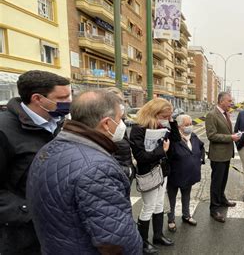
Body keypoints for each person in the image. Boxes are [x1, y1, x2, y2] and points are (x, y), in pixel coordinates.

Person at [26, 89, 141, 254]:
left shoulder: (49, 148)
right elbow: (117, 241)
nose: (122, 124)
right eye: (119, 119)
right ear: (107, 124)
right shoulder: (98, 169)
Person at [0, 70, 71, 254]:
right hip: (21, 236)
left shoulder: (58, 124)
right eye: (62, 98)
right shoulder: (4, 131)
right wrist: (30, 213)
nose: (68, 102)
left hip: (57, 230)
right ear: (38, 98)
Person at [129, 98, 176, 254]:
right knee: (148, 207)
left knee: (159, 205)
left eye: (168, 116)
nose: (165, 118)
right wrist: (161, 151)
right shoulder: (138, 129)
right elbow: (141, 157)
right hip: (148, 173)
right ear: (154, 113)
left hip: (163, 171)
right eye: (164, 115)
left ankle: (158, 235)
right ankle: (142, 242)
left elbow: (175, 142)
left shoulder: (162, 126)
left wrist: (172, 122)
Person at [205, 92, 241, 223]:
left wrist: (233, 135)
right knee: (216, 182)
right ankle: (214, 208)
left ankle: (221, 199)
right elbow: (212, 135)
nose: (231, 103)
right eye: (229, 101)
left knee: (223, 179)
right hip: (218, 155)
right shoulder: (212, 115)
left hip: (226, 154)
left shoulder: (226, 114)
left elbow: (225, 131)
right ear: (221, 101)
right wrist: (230, 137)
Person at [166, 114, 205, 231]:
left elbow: (201, 147)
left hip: (189, 174)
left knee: (186, 196)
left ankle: (186, 215)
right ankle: (171, 220)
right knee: (171, 198)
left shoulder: (193, 136)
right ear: (179, 126)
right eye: (186, 125)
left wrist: (200, 159)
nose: (189, 127)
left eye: (190, 124)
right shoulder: (173, 138)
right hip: (174, 174)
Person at [105, 87, 135, 182]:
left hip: (125, 174)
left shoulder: (121, 123)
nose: (120, 105)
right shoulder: (105, 124)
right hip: (116, 177)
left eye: (121, 101)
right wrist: (127, 171)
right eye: (115, 101)